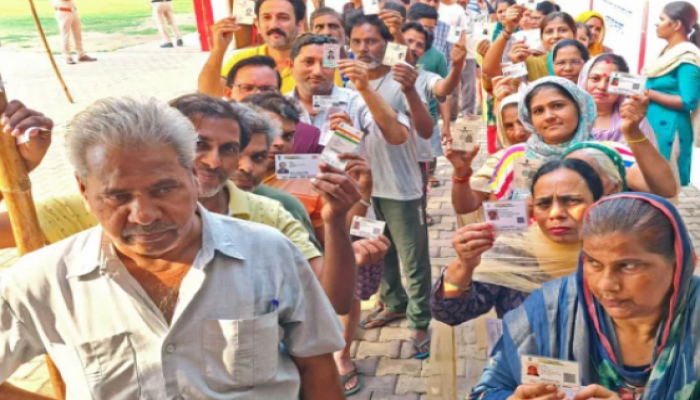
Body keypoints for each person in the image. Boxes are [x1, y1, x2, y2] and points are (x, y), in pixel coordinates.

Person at [0, 97, 346, 399]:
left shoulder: (269, 253)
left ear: (194, 178)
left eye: (164, 190)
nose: (145, 215)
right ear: (83, 191)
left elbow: (318, 369)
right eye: (117, 196)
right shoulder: (42, 280)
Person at [470, 193, 700, 400]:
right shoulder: (550, 309)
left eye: (628, 266)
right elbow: (485, 392)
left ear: (681, 265)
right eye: (593, 263)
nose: (605, 284)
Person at [432, 158, 604, 324]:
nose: (555, 213)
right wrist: (463, 266)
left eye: (572, 201)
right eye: (544, 204)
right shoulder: (514, 250)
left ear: (598, 203)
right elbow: (450, 312)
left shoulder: (614, 253)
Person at [490, 77, 677, 201]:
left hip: (597, 258)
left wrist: (632, 131)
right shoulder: (517, 156)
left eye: (557, 105)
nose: (548, 116)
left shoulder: (609, 153)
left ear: (580, 109)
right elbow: (498, 217)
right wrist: (526, 209)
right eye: (538, 111)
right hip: (534, 257)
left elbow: (666, 189)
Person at [198, 0, 322, 96]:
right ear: (257, 23)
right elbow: (208, 94)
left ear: (299, 24)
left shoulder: (320, 60)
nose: (274, 24)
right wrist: (218, 50)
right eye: (266, 17)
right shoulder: (242, 60)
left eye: (283, 17)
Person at [644, 1, 700, 187]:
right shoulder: (667, 52)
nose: (656, 24)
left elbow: (688, 101)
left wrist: (650, 94)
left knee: (664, 188)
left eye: (661, 19)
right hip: (653, 126)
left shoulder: (687, 58)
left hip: (670, 132)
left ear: (676, 25)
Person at [222, 55, 325, 155]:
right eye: (248, 88)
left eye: (267, 90)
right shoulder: (212, 131)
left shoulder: (308, 136)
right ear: (228, 93)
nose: (257, 94)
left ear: (279, 94)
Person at [449, 93, 530, 215]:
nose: (518, 132)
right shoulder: (500, 161)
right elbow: (464, 207)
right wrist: (461, 173)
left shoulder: (564, 154)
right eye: (509, 126)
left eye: (524, 122)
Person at [579, 54, 657, 145]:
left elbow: (647, 157)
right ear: (584, 81)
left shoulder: (633, 120)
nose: (602, 86)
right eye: (595, 79)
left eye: (612, 81)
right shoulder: (571, 115)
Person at [483, 9, 577, 82]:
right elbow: (490, 71)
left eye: (563, 30)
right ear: (542, 39)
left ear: (575, 35)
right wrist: (507, 31)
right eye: (549, 32)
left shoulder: (588, 64)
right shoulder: (532, 65)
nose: (556, 36)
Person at [51, 0, 96, 65]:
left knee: (78, 35)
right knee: (65, 35)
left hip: (73, 11)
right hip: (63, 12)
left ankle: (81, 55)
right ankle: (67, 56)